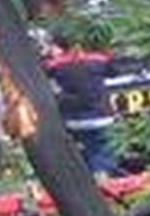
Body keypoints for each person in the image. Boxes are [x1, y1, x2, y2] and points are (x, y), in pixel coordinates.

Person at [43, 34, 119, 177]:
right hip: (101, 116)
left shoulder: (56, 64)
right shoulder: (98, 60)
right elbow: (114, 71)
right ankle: (103, 178)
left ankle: (90, 178)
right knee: (101, 150)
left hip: (74, 120)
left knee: (85, 151)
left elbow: (43, 71)